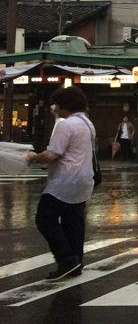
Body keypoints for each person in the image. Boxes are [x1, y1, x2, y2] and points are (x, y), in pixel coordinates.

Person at [25, 87, 95, 281]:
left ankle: (66, 259)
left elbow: (52, 154)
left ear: (64, 105)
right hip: (83, 180)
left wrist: (33, 157)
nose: (54, 108)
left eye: (56, 104)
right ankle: (76, 261)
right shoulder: (87, 123)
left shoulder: (66, 125)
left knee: (44, 219)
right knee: (73, 221)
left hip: (64, 181)